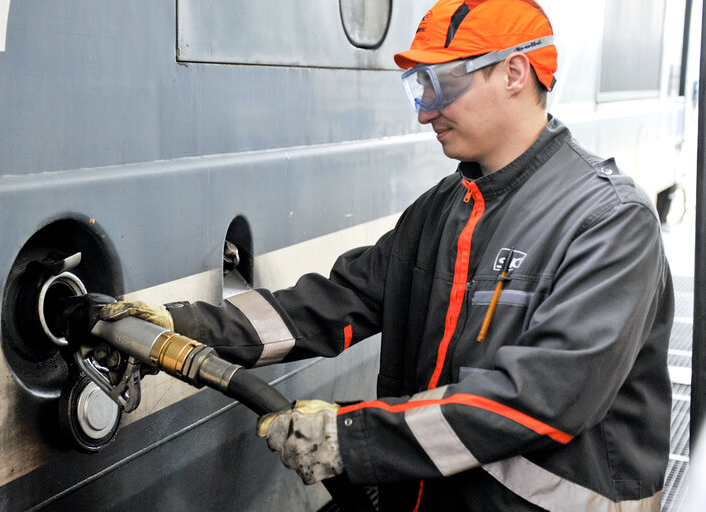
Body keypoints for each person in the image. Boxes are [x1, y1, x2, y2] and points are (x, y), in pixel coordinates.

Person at [99, 1, 674, 510]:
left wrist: (351, 439)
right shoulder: (445, 209)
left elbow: (545, 398)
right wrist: (178, 327)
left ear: (515, 72)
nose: (426, 111)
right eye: (418, 88)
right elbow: (332, 304)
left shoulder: (609, 222)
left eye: (442, 84)